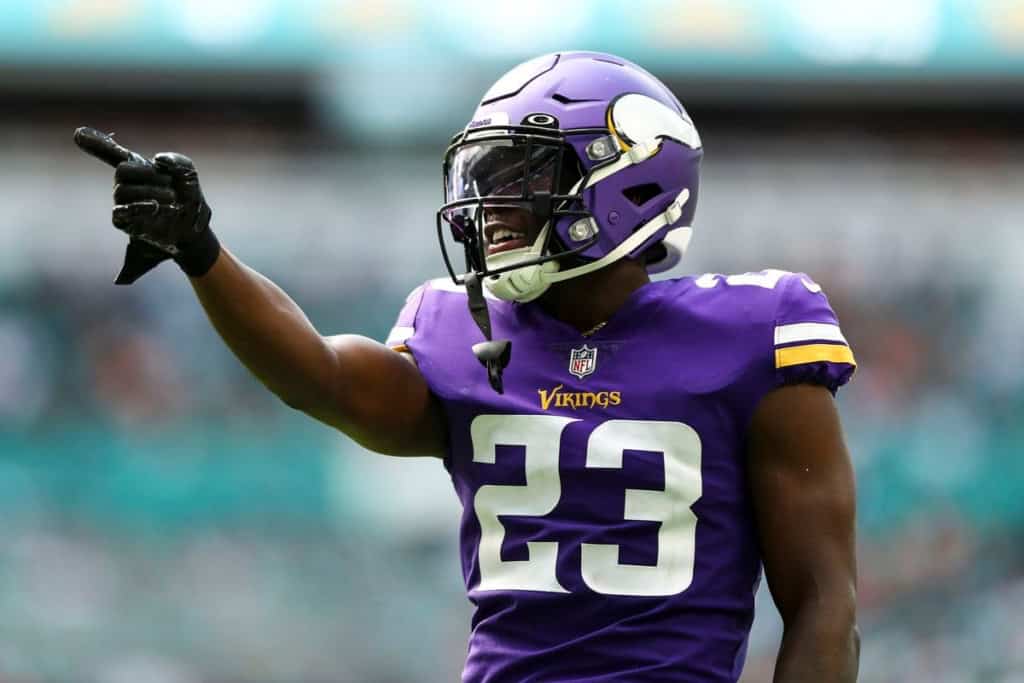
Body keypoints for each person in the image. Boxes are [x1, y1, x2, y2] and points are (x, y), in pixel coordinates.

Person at [76, 51, 859, 683]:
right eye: (488, 184)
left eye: (523, 182)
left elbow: (824, 603)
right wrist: (203, 252)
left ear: (629, 182)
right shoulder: (460, 331)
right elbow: (320, 373)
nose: (491, 210)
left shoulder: (757, 332)